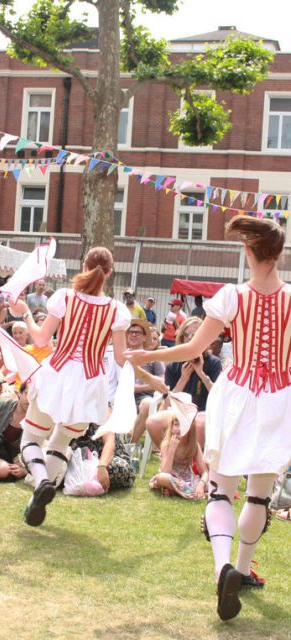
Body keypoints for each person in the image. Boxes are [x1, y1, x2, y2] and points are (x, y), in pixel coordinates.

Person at [126, 215, 291, 621]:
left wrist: (148, 355)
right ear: (280, 253)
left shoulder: (232, 296)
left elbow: (191, 348)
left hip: (237, 393)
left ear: (249, 251)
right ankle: (243, 566)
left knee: (221, 489)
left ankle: (224, 568)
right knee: (257, 493)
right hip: (279, 396)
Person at [8, 247, 164, 527]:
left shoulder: (64, 297)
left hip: (57, 374)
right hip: (90, 384)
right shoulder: (116, 310)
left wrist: (25, 314)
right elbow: (120, 358)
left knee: (31, 438)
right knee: (60, 442)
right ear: (110, 273)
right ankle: (37, 496)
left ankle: (42, 482)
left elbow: (41, 340)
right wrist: (150, 376)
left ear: (83, 265)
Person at [144, 317, 222, 450]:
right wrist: (183, 379)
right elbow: (166, 403)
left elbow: (219, 396)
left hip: (203, 412)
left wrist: (202, 375)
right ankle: (172, 460)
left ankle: (197, 465)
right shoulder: (173, 364)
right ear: (181, 337)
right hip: (177, 411)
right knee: (152, 422)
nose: (191, 338)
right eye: (187, 334)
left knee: (198, 424)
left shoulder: (213, 362)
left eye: (196, 334)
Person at [149, 413, 208, 500]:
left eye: (183, 425)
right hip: (172, 477)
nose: (179, 429)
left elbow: (205, 471)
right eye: (176, 425)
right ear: (171, 427)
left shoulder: (193, 444)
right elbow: (165, 471)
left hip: (189, 479)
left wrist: (201, 485)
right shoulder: (166, 444)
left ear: (190, 428)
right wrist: (172, 449)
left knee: (212, 484)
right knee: (162, 478)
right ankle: (187, 491)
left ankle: (176, 491)